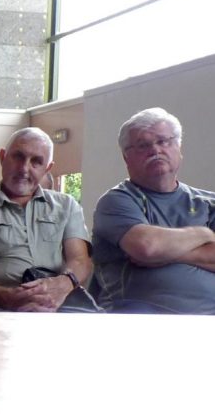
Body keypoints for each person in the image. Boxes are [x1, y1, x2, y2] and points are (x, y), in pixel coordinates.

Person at [0, 127, 92, 312]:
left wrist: (61, 286)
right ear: (2, 157)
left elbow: (80, 260)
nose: (24, 168)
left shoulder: (66, 206)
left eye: (36, 162)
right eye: (18, 157)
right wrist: (7, 297)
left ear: (47, 168)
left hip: (58, 309)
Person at [92, 107, 215, 314]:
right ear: (126, 157)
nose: (155, 150)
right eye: (143, 145)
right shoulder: (116, 201)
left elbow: (154, 252)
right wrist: (203, 234)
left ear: (178, 147)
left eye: (163, 141)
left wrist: (169, 255)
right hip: (140, 320)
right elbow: (147, 246)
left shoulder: (209, 203)